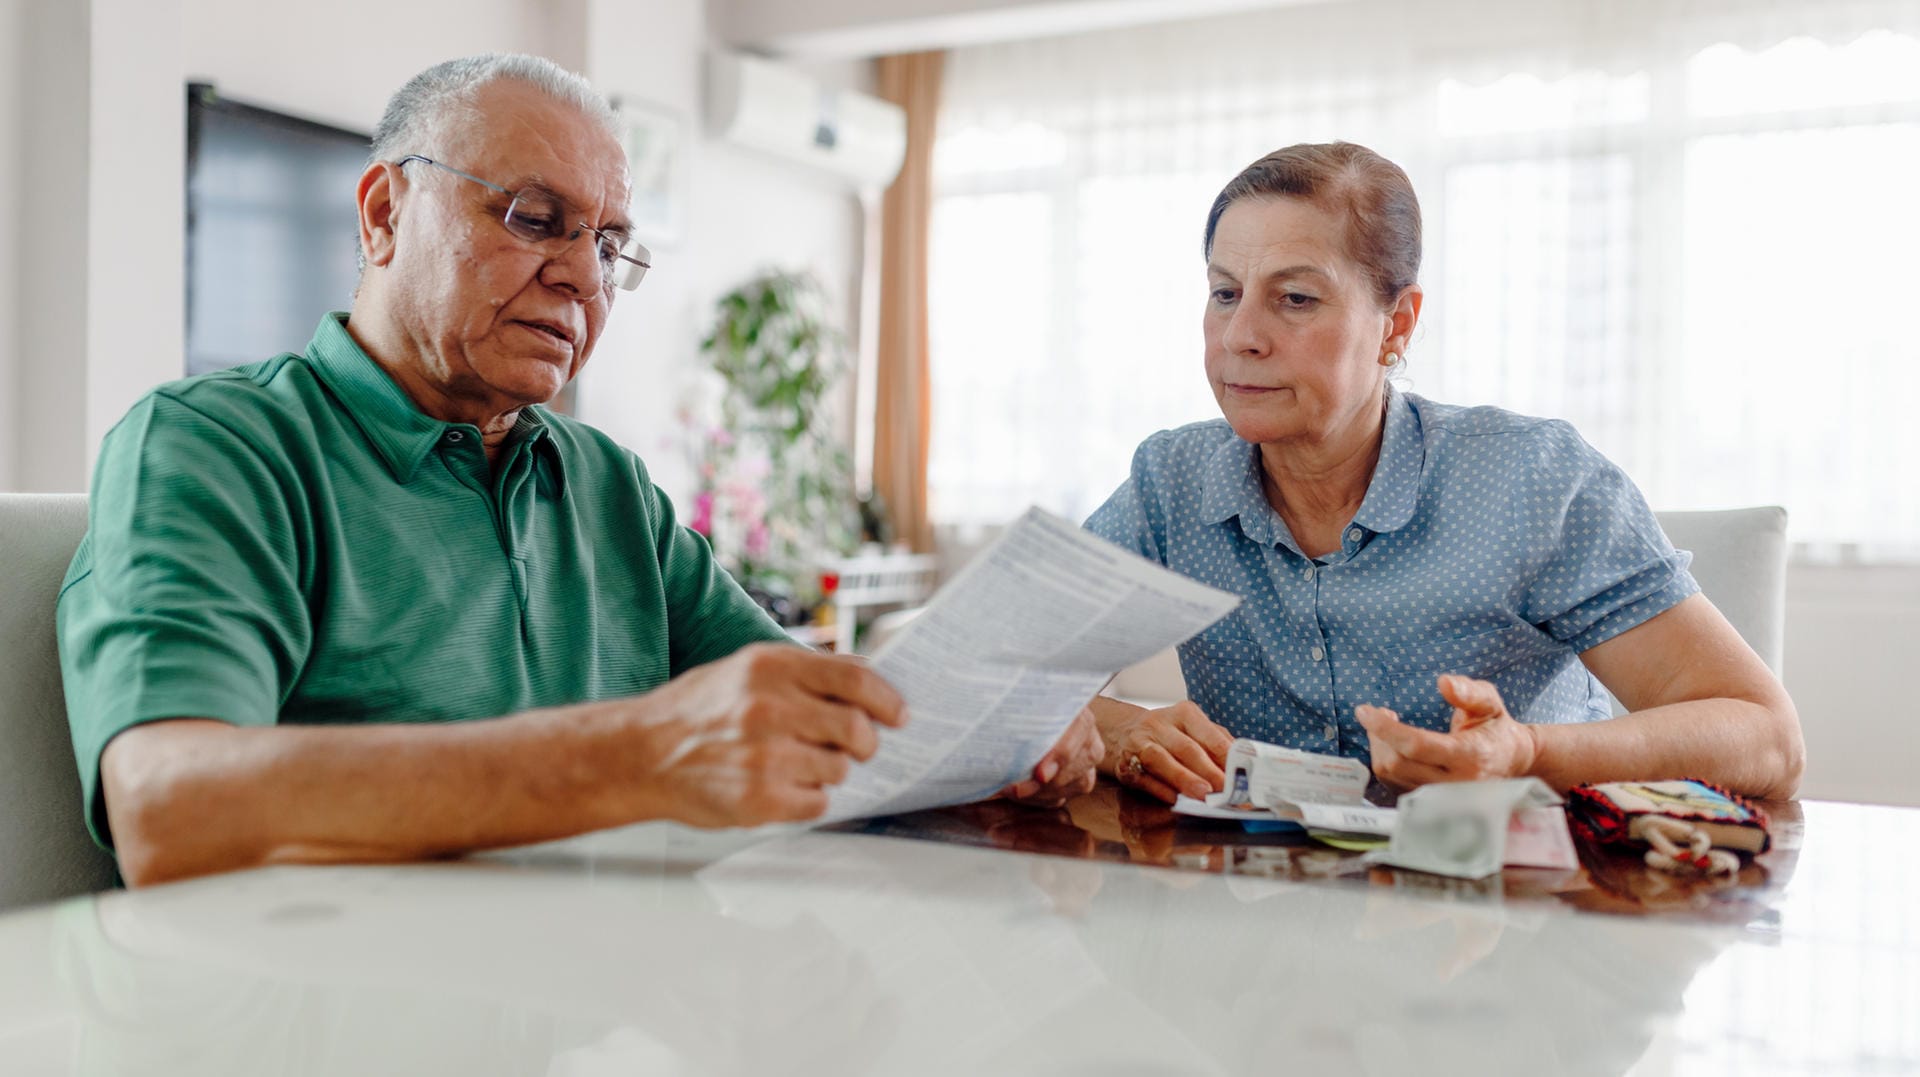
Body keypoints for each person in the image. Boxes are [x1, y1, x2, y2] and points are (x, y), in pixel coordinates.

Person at [57, 54, 1099, 888]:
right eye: (534, 219)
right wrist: (639, 754)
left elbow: (801, 715)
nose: (581, 275)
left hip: (589, 998)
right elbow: (170, 809)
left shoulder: (604, 482)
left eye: (611, 244)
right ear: (382, 214)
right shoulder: (220, 447)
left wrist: (1009, 727)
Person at [1084, 142, 1802, 804]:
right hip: (1260, 910)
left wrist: (1524, 750)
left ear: (1396, 324)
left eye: (1295, 298)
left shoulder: (1533, 479)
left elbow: (1766, 738)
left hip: (1515, 907)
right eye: (1225, 293)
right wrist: (1118, 732)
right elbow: (991, 678)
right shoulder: (1170, 481)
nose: (1241, 336)